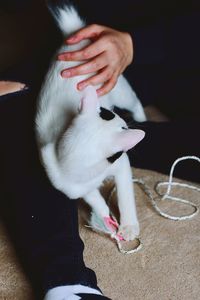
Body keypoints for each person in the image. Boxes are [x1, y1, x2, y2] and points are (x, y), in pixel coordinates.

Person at [0, 0, 199, 299]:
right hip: (83, 54)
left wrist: (135, 44)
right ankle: (70, 284)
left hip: (173, 52)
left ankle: (122, 141)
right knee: (14, 99)